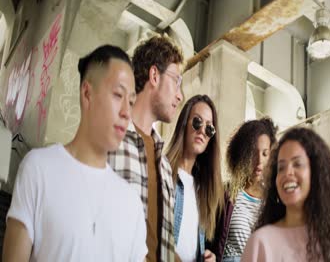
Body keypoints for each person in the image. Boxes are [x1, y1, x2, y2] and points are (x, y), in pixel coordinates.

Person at [3, 45, 147, 261]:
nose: (127, 112)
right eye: (118, 95)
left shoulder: (132, 203)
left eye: (132, 101)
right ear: (87, 93)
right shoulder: (39, 169)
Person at [241, 127, 330, 262]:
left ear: (315, 174)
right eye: (281, 167)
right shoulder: (261, 243)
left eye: (297, 164)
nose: (287, 173)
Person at [108, 34, 184, 262]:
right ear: (154, 75)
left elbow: (161, 244)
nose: (180, 95)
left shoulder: (164, 165)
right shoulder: (109, 140)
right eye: (176, 81)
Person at [209, 118, 277, 262]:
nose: (259, 161)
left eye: (265, 154)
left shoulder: (274, 201)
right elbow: (209, 240)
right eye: (253, 152)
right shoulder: (227, 193)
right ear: (243, 154)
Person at [166, 95, 223, 262]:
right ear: (184, 123)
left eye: (209, 128)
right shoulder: (164, 171)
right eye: (197, 122)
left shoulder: (205, 190)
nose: (202, 131)